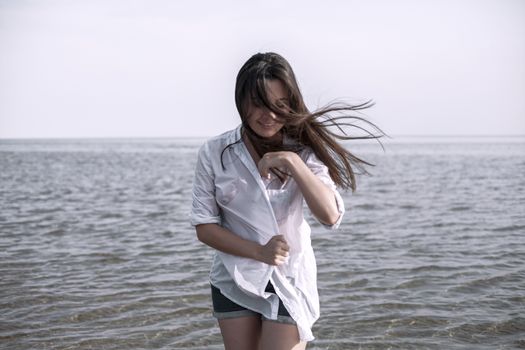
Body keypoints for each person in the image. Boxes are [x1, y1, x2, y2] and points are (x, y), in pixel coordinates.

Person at [190, 52, 383, 350]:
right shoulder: (216, 151)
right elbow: (205, 228)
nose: (269, 115)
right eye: (259, 104)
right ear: (241, 101)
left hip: (288, 277)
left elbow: (330, 216)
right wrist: (259, 252)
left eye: (280, 105)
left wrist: (293, 162)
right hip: (233, 276)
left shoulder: (304, 152)